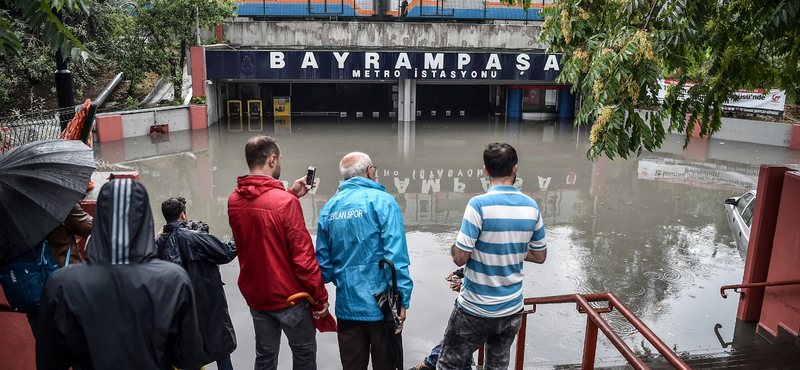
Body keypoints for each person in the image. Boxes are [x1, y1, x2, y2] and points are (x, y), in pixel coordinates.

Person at [36, 178, 204, 370]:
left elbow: (49, 361)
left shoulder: (61, 285)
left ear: (99, 220)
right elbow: (188, 358)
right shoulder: (174, 280)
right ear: (145, 220)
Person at [436, 143, 547, 370]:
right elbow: (540, 255)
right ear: (515, 169)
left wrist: (459, 246)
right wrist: (511, 246)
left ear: (485, 170)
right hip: (511, 309)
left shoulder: (478, 205)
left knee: (448, 365)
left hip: (476, 309)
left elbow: (460, 258)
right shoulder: (532, 207)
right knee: (496, 367)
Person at [227, 135, 329, 370]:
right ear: (272, 160)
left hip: (257, 297)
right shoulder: (284, 203)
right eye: (280, 159)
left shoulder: (234, 200)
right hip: (290, 298)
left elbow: (261, 228)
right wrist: (320, 298)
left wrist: (290, 194)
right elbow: (303, 258)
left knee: (265, 355)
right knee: (303, 353)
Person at [315, 151, 413, 370]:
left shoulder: (329, 209)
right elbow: (395, 257)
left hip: (347, 306)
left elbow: (324, 268)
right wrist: (402, 301)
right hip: (382, 308)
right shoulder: (384, 202)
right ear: (370, 172)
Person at [156, 197, 238, 370]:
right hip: (208, 302)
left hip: (178, 309)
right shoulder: (194, 238)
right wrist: (238, 232)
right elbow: (227, 253)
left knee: (189, 353)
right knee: (221, 348)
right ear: (183, 214)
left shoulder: (158, 242)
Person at [409, 269, 472, 370]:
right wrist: (459, 274)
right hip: (496, 307)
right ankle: (430, 363)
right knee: (465, 342)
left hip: (478, 306)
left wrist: (467, 289)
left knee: (457, 336)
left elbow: (462, 259)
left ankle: (430, 363)